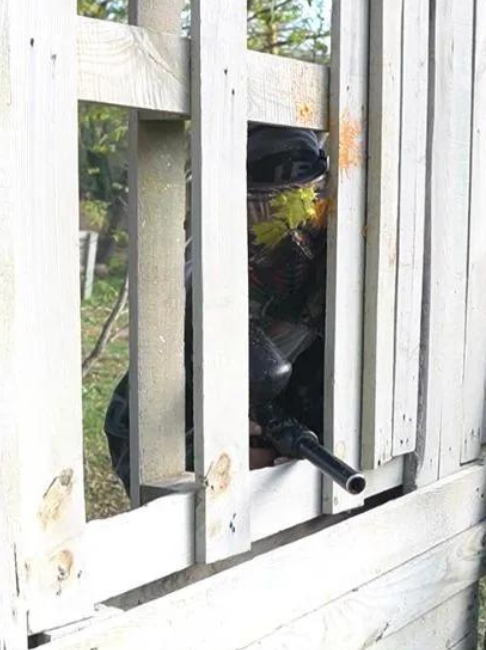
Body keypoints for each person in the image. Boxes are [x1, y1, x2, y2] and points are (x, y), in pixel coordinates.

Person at [104, 124, 331, 495]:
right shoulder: (203, 295)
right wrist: (209, 461)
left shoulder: (345, 280)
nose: (292, 232)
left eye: (304, 205)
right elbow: (130, 434)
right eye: (266, 210)